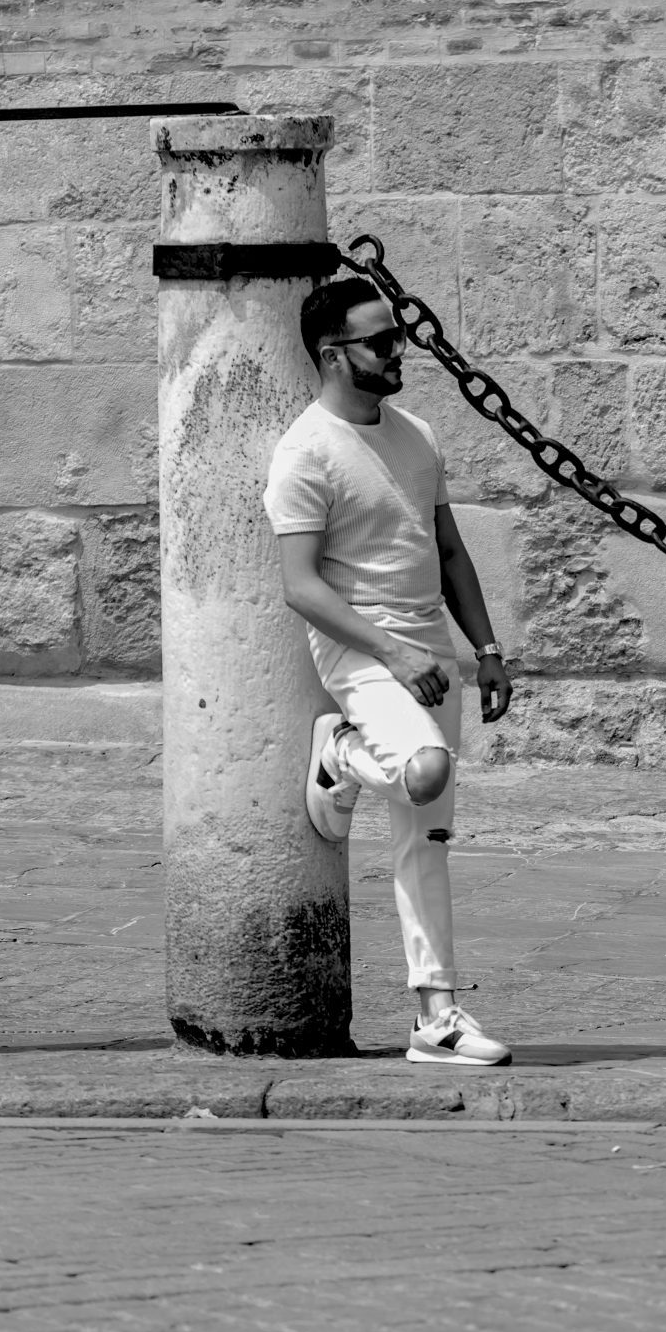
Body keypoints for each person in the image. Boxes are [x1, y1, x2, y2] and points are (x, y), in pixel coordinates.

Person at [264, 278, 517, 1067]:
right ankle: (339, 753)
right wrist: (394, 652)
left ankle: (436, 1018)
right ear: (334, 355)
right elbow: (300, 584)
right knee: (424, 769)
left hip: (431, 654)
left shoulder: (416, 435)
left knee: (428, 835)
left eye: (397, 334)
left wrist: (485, 648)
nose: (398, 349)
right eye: (381, 341)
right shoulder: (305, 451)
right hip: (365, 656)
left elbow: (447, 551)